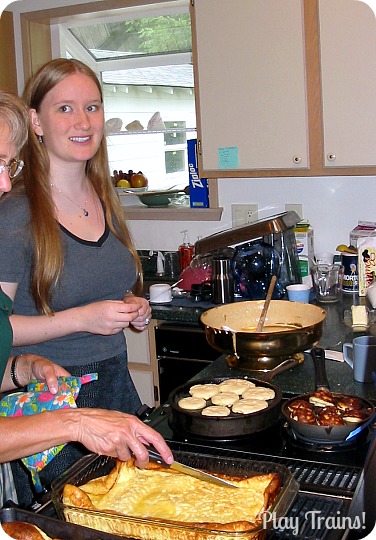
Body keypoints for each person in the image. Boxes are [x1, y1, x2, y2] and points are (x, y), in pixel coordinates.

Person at [0, 64, 170, 505]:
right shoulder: (15, 214)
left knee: (144, 505)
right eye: (65, 108)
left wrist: (133, 307)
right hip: (50, 396)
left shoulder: (105, 197)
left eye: (92, 107)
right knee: (84, 514)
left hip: (114, 381)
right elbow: (3, 330)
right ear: (36, 122)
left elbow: (108, 288)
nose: (83, 121)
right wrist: (82, 319)